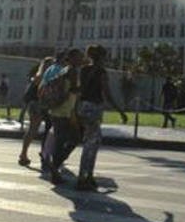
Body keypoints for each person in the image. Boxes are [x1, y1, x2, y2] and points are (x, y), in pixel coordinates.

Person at [76, 45, 128, 190]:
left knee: (90, 142)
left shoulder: (84, 70)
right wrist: (120, 111)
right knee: (91, 145)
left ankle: (88, 176)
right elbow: (107, 94)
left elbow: (80, 90)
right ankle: (84, 177)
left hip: (84, 107)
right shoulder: (101, 72)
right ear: (102, 57)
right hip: (94, 108)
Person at [47, 48, 84, 185]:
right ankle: (55, 165)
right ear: (72, 58)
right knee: (72, 139)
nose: (82, 59)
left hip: (61, 110)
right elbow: (74, 89)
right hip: (63, 111)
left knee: (62, 140)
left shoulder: (65, 70)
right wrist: (83, 88)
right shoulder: (72, 71)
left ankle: (55, 169)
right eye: (79, 57)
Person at [19, 57, 53, 167]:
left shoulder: (38, 76)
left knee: (33, 129)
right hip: (38, 104)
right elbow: (41, 92)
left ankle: (24, 153)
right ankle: (24, 154)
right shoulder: (42, 76)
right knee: (33, 129)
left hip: (35, 104)